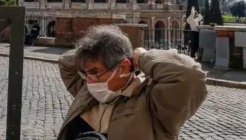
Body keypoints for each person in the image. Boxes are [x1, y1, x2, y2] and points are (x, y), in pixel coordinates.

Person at [57, 25, 207, 140]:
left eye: (95, 72)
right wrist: (89, 53)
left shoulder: (152, 102)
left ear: (122, 68)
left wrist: (143, 57)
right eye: (85, 73)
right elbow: (65, 62)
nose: (89, 81)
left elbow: (189, 75)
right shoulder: (88, 92)